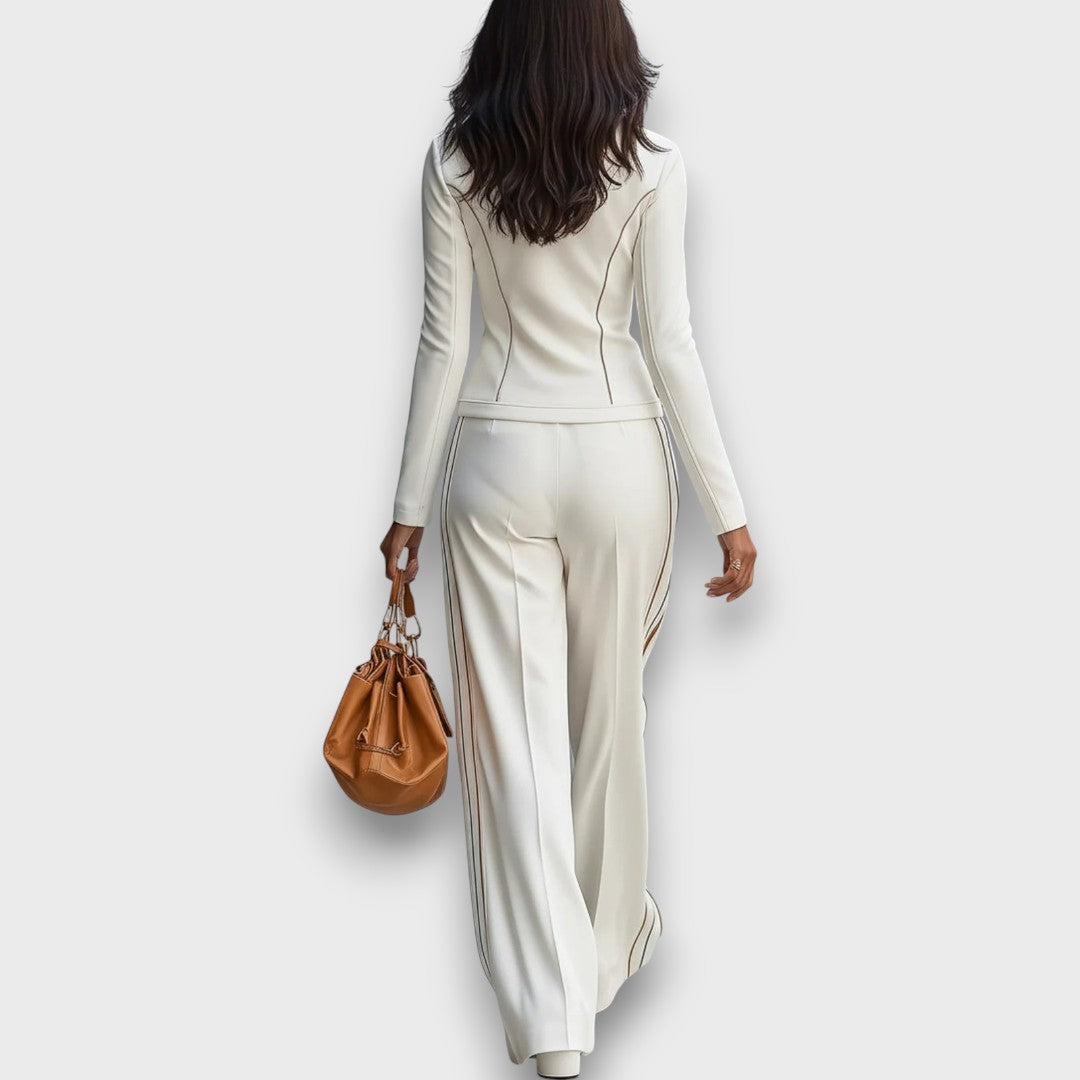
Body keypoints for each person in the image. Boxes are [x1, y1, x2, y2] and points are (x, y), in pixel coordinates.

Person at [379, 1, 757, 1075]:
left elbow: (443, 343)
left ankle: (554, 1025)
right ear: (609, 44)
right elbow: (670, 342)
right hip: (621, 458)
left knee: (516, 741)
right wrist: (729, 511)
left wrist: (407, 509)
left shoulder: (453, 164)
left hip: (496, 459)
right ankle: (599, 960)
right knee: (608, 721)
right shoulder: (656, 168)